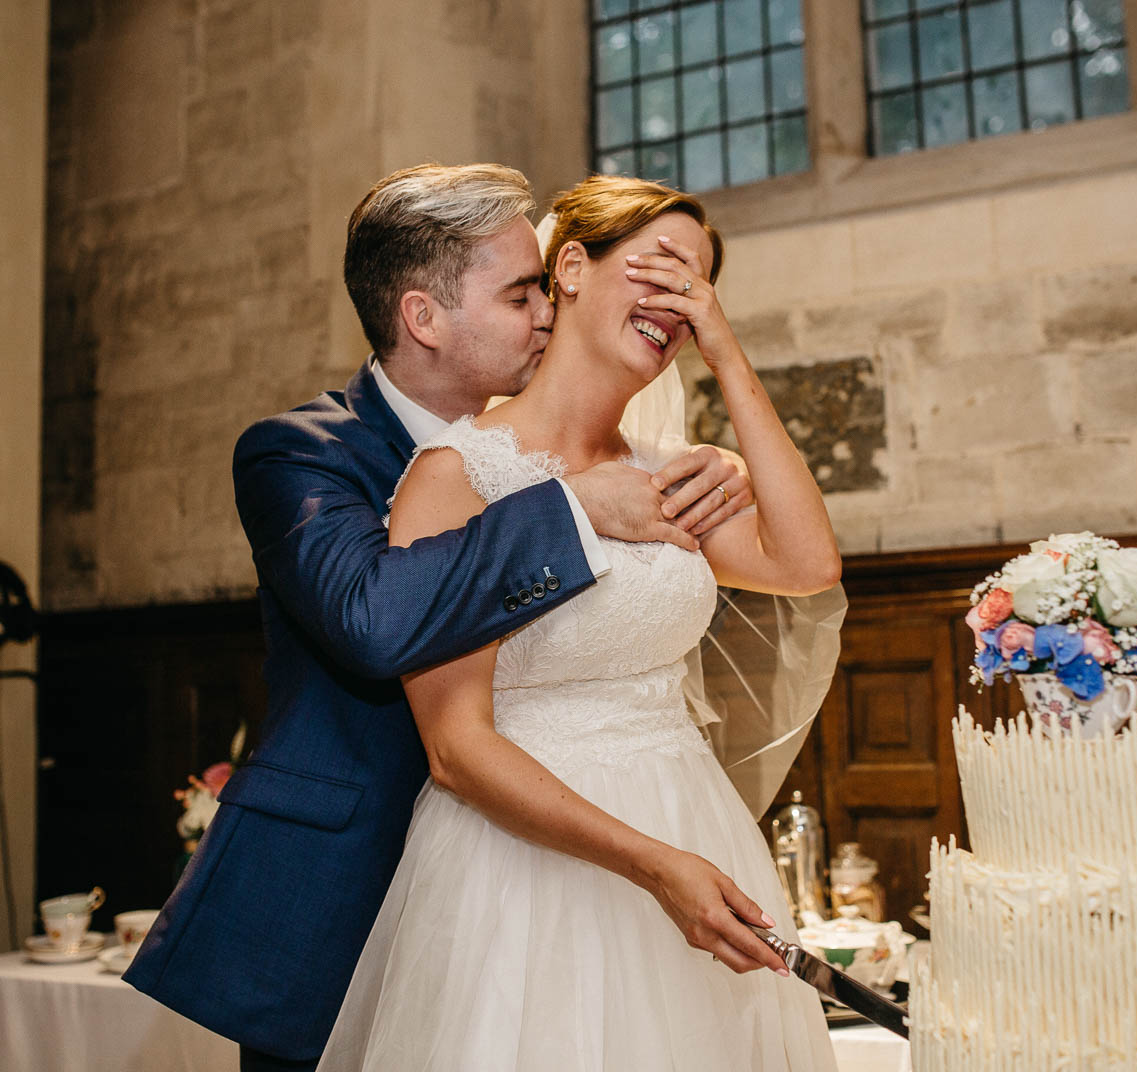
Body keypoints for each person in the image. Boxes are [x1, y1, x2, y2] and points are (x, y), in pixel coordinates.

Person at [123, 164, 756, 1072]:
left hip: (524, 888)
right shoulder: (303, 455)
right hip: (342, 897)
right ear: (425, 318)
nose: (547, 311)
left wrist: (719, 477)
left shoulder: (560, 445)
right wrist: (574, 510)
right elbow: (372, 620)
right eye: (520, 293)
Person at [317, 175, 842, 1070]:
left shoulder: (673, 472)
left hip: (695, 825)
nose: (682, 301)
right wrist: (651, 864)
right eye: (662, 270)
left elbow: (807, 565)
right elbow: (456, 748)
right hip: (523, 870)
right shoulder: (457, 475)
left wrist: (728, 356)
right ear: (570, 267)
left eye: (702, 287)